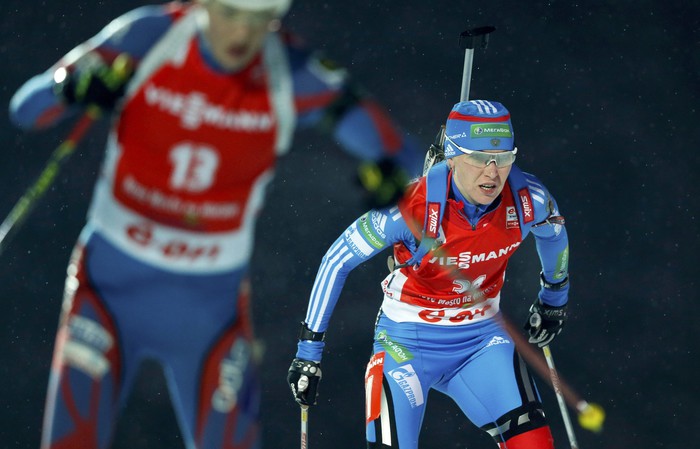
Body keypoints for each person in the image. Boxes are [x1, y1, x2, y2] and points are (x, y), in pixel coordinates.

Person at [8, 1, 423, 448]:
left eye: (259, 20)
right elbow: (25, 110)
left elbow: (412, 160)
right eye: (229, 13)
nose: (241, 34)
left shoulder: (292, 70)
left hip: (207, 306)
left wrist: (397, 180)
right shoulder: (151, 36)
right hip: (110, 287)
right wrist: (69, 87)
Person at [287, 99, 570, 449]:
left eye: (503, 158)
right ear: (452, 156)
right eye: (479, 158)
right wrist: (308, 352)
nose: (492, 173)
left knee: (534, 442)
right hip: (406, 345)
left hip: (482, 342)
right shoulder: (412, 208)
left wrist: (553, 299)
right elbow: (336, 260)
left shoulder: (529, 199)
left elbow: (554, 234)